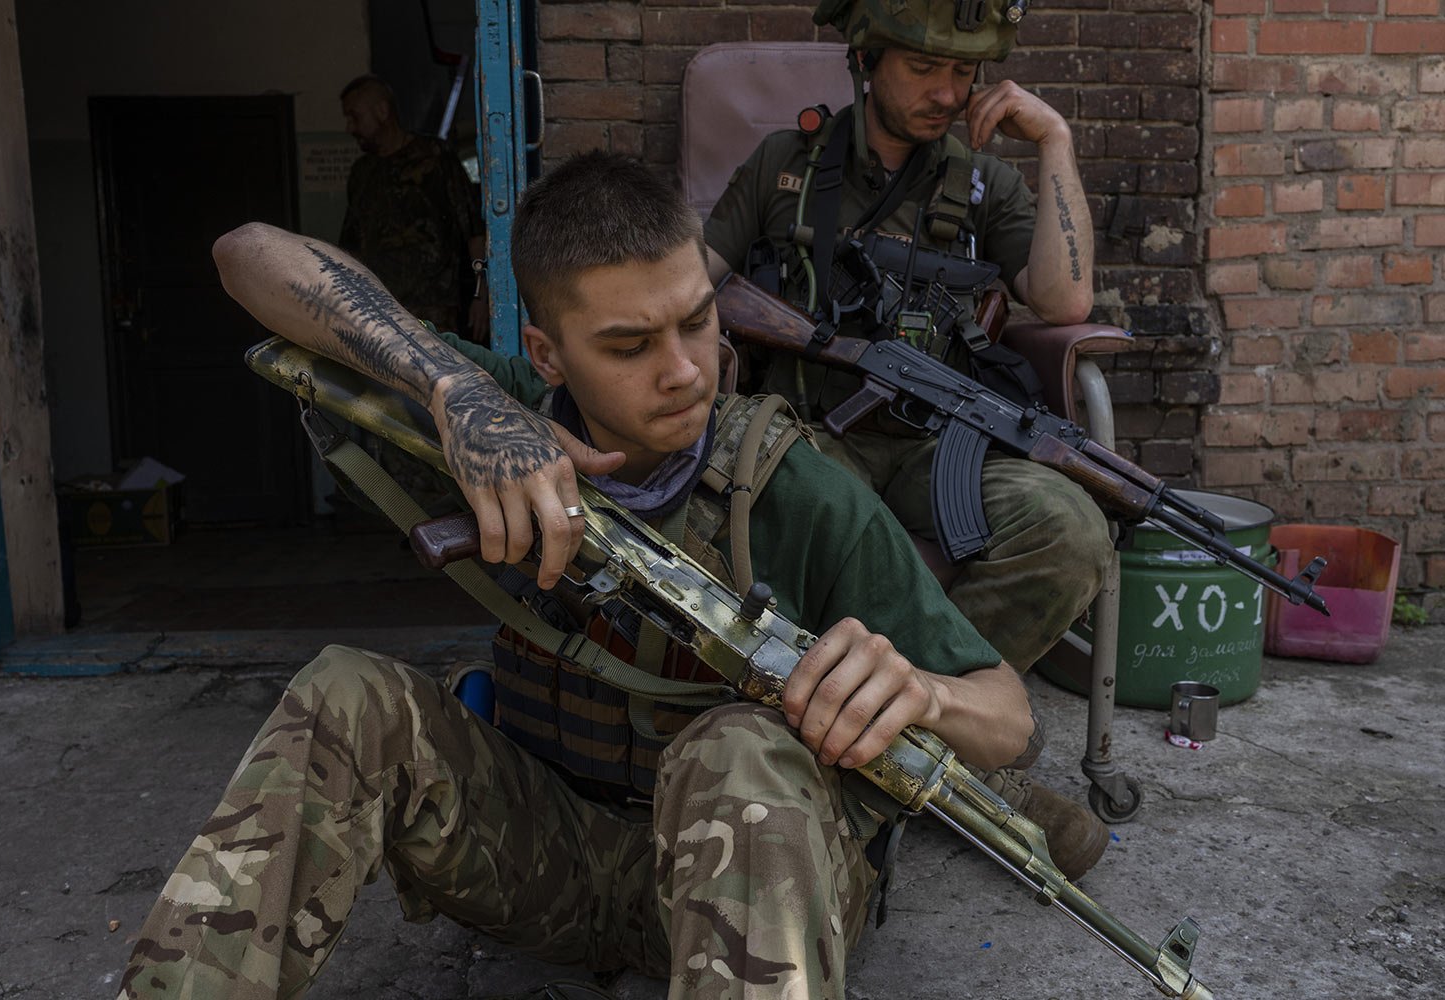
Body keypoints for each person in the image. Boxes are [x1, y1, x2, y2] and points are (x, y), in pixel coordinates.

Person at [116, 152, 1037, 1000]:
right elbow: (248, 256)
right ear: (548, 354)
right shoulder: (495, 415)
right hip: (546, 853)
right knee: (344, 695)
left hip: (756, 888)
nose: (683, 372)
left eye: (697, 323)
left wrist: (917, 694)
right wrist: (456, 392)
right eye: (629, 347)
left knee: (741, 751)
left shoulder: (795, 486)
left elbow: (1008, 715)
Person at [703, 0, 1114, 873]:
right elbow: (691, 286)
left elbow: (1065, 302)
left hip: (937, 446)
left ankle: (928, 742)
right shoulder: (787, 166)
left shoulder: (982, 185)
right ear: (866, 58)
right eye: (924, 67)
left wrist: (1055, 146)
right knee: (804, 516)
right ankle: (956, 780)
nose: (947, 90)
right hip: (811, 436)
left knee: (1071, 529)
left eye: (963, 72)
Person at [339, 73, 487, 342]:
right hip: (377, 315)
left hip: (436, 317)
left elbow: (474, 233)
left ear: (382, 111)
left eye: (354, 116)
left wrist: (481, 296)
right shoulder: (362, 173)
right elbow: (350, 251)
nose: (350, 127)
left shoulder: (436, 157)